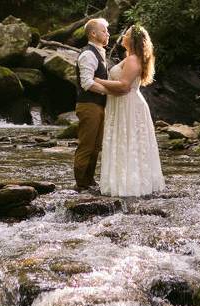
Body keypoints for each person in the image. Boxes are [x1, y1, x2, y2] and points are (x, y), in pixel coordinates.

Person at [89, 24, 164, 197]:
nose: (123, 36)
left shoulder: (132, 59)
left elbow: (123, 86)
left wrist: (97, 81)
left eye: (126, 34)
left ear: (132, 39)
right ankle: (126, 183)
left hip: (127, 104)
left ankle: (128, 185)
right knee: (128, 142)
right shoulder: (131, 57)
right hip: (125, 103)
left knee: (127, 141)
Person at [73, 18, 117, 193]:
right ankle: (81, 184)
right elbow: (86, 83)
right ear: (93, 33)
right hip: (88, 106)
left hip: (98, 105)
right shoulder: (88, 54)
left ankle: (89, 181)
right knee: (87, 145)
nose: (108, 34)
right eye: (104, 31)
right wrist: (111, 91)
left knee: (96, 146)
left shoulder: (99, 53)